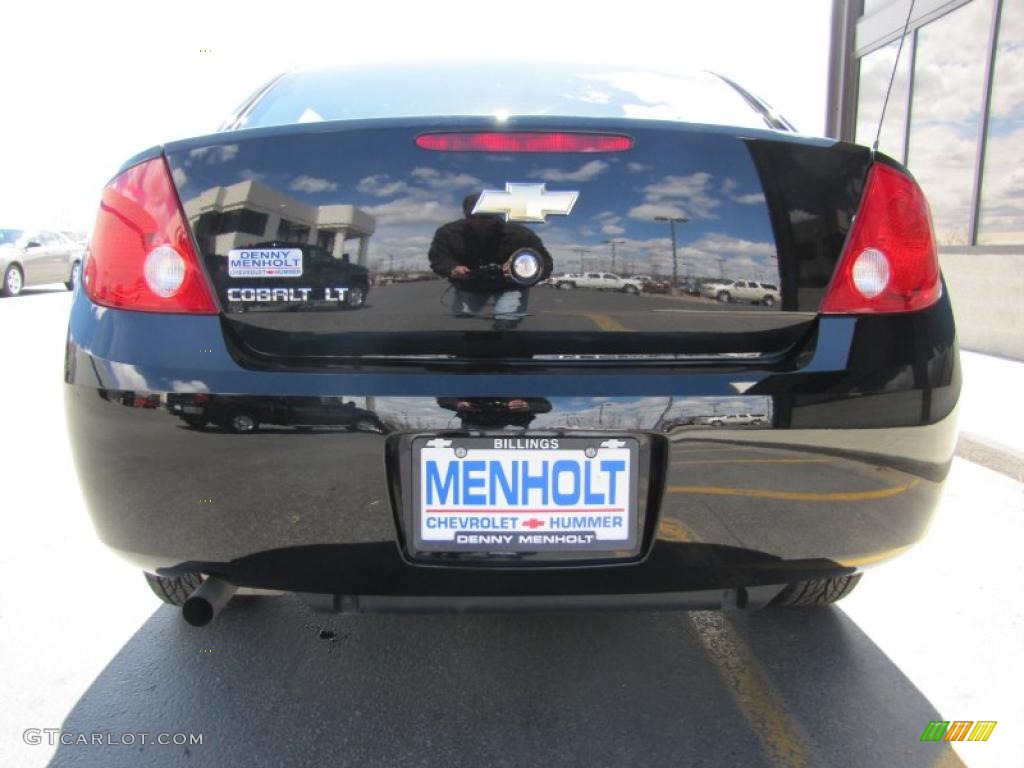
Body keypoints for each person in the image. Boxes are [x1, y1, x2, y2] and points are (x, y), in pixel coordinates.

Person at [428, 193, 553, 330]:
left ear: (497, 214)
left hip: (509, 285)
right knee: (463, 317)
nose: (480, 221)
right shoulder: (447, 233)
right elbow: (438, 258)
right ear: (465, 214)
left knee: (507, 320)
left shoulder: (520, 234)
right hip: (470, 284)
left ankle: (502, 341)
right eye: (473, 217)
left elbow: (545, 263)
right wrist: (452, 268)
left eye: (486, 217)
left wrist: (519, 271)